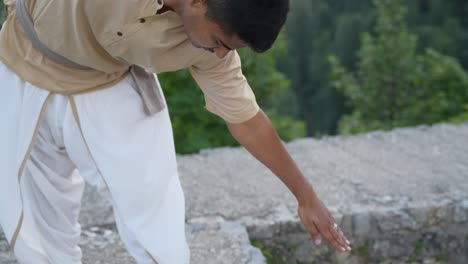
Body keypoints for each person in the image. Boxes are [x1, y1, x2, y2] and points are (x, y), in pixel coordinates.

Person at [0, 0, 352, 263]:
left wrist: (305, 195)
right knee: (34, 228)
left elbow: (247, 119)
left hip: (107, 86)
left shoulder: (211, 47)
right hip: (23, 65)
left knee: (157, 216)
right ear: (199, 2)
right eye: (218, 41)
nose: (219, 52)